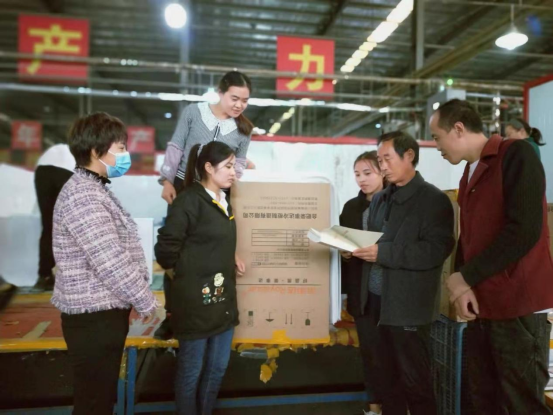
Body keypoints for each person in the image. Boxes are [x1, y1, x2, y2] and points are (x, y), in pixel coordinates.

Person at [430, 99, 553, 415]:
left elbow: (524, 230)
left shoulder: (516, 155)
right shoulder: (468, 173)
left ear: (458, 129)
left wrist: (464, 277)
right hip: (485, 307)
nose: (436, 146)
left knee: (521, 403)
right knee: (484, 399)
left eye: (437, 137)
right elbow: (469, 238)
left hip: (518, 309)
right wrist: (463, 286)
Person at [52, 112, 157, 415]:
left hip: (99, 315)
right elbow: (110, 260)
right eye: (120, 148)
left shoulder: (93, 189)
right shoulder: (83, 196)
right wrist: (147, 302)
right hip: (94, 319)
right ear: (96, 151)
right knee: (94, 402)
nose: (125, 155)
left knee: (97, 399)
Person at [352, 132, 455, 415]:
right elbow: (375, 241)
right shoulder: (380, 199)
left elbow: (435, 250)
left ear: (409, 155)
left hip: (408, 307)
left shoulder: (433, 200)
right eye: (379, 159)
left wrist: (383, 253)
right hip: (376, 304)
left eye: (387, 158)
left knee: (415, 382)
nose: (382, 166)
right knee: (387, 381)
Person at [155, 70, 253, 340]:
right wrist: (167, 181)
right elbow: (177, 146)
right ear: (220, 93)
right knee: (178, 251)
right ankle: (172, 315)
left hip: (217, 194)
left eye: (245, 101)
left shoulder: (244, 130)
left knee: (211, 254)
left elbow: (239, 163)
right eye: (234, 98)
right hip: (184, 184)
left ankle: (211, 313)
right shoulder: (193, 113)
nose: (239, 105)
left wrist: (233, 178)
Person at [155, 141, 245, 415]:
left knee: (216, 369)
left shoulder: (223, 201)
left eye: (234, 166)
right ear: (208, 167)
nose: (233, 172)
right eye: (228, 166)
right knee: (191, 372)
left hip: (222, 301)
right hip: (195, 304)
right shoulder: (189, 201)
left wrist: (228, 256)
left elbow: (209, 240)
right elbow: (165, 250)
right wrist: (190, 275)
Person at [340, 151, 385, 415]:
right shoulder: (351, 208)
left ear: (382, 171)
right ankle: (374, 406)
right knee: (370, 353)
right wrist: (344, 253)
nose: (361, 179)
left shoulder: (395, 205)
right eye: (357, 174)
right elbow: (344, 244)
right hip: (362, 292)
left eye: (367, 173)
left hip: (390, 292)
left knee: (394, 354)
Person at [33, 144, 76, 292]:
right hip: (67, 170)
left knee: (49, 226)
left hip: (42, 170)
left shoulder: (59, 148)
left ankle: (44, 276)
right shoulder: (92, 147)